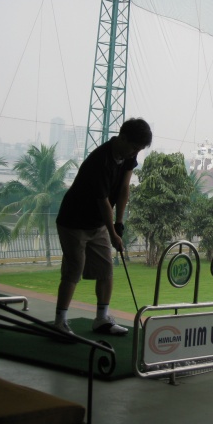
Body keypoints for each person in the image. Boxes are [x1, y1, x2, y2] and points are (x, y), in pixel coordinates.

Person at [53, 118, 152, 336]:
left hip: (97, 223)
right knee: (73, 270)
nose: (135, 152)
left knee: (106, 270)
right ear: (122, 138)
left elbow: (124, 188)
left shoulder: (128, 154)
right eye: (134, 147)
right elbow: (103, 201)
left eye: (139, 149)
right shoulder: (99, 161)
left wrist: (120, 223)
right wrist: (113, 233)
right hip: (74, 222)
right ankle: (59, 321)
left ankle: (101, 319)